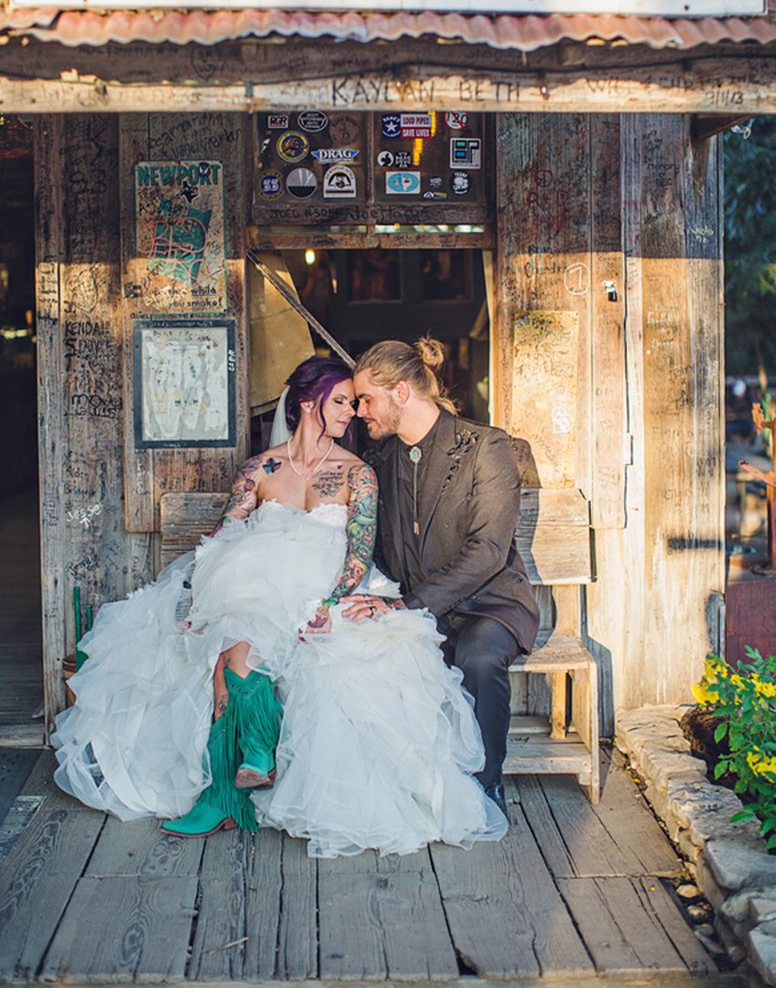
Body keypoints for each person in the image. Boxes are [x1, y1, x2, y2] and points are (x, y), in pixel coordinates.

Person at [52, 354, 506, 857]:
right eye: (342, 401)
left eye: (356, 403)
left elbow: (358, 552)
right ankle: (235, 778)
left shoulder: (359, 475)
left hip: (326, 589)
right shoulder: (259, 471)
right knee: (230, 647)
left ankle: (235, 785)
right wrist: (195, 595)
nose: (352, 412)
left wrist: (329, 602)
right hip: (256, 588)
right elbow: (224, 538)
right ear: (308, 403)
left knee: (270, 655)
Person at [352, 338, 540, 816]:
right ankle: (404, 787)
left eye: (366, 399)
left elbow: (488, 551)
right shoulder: (379, 463)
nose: (358, 411)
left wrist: (408, 606)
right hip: (416, 606)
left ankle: (485, 785)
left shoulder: (487, 447)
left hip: (490, 604)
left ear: (400, 393)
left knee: (476, 656)